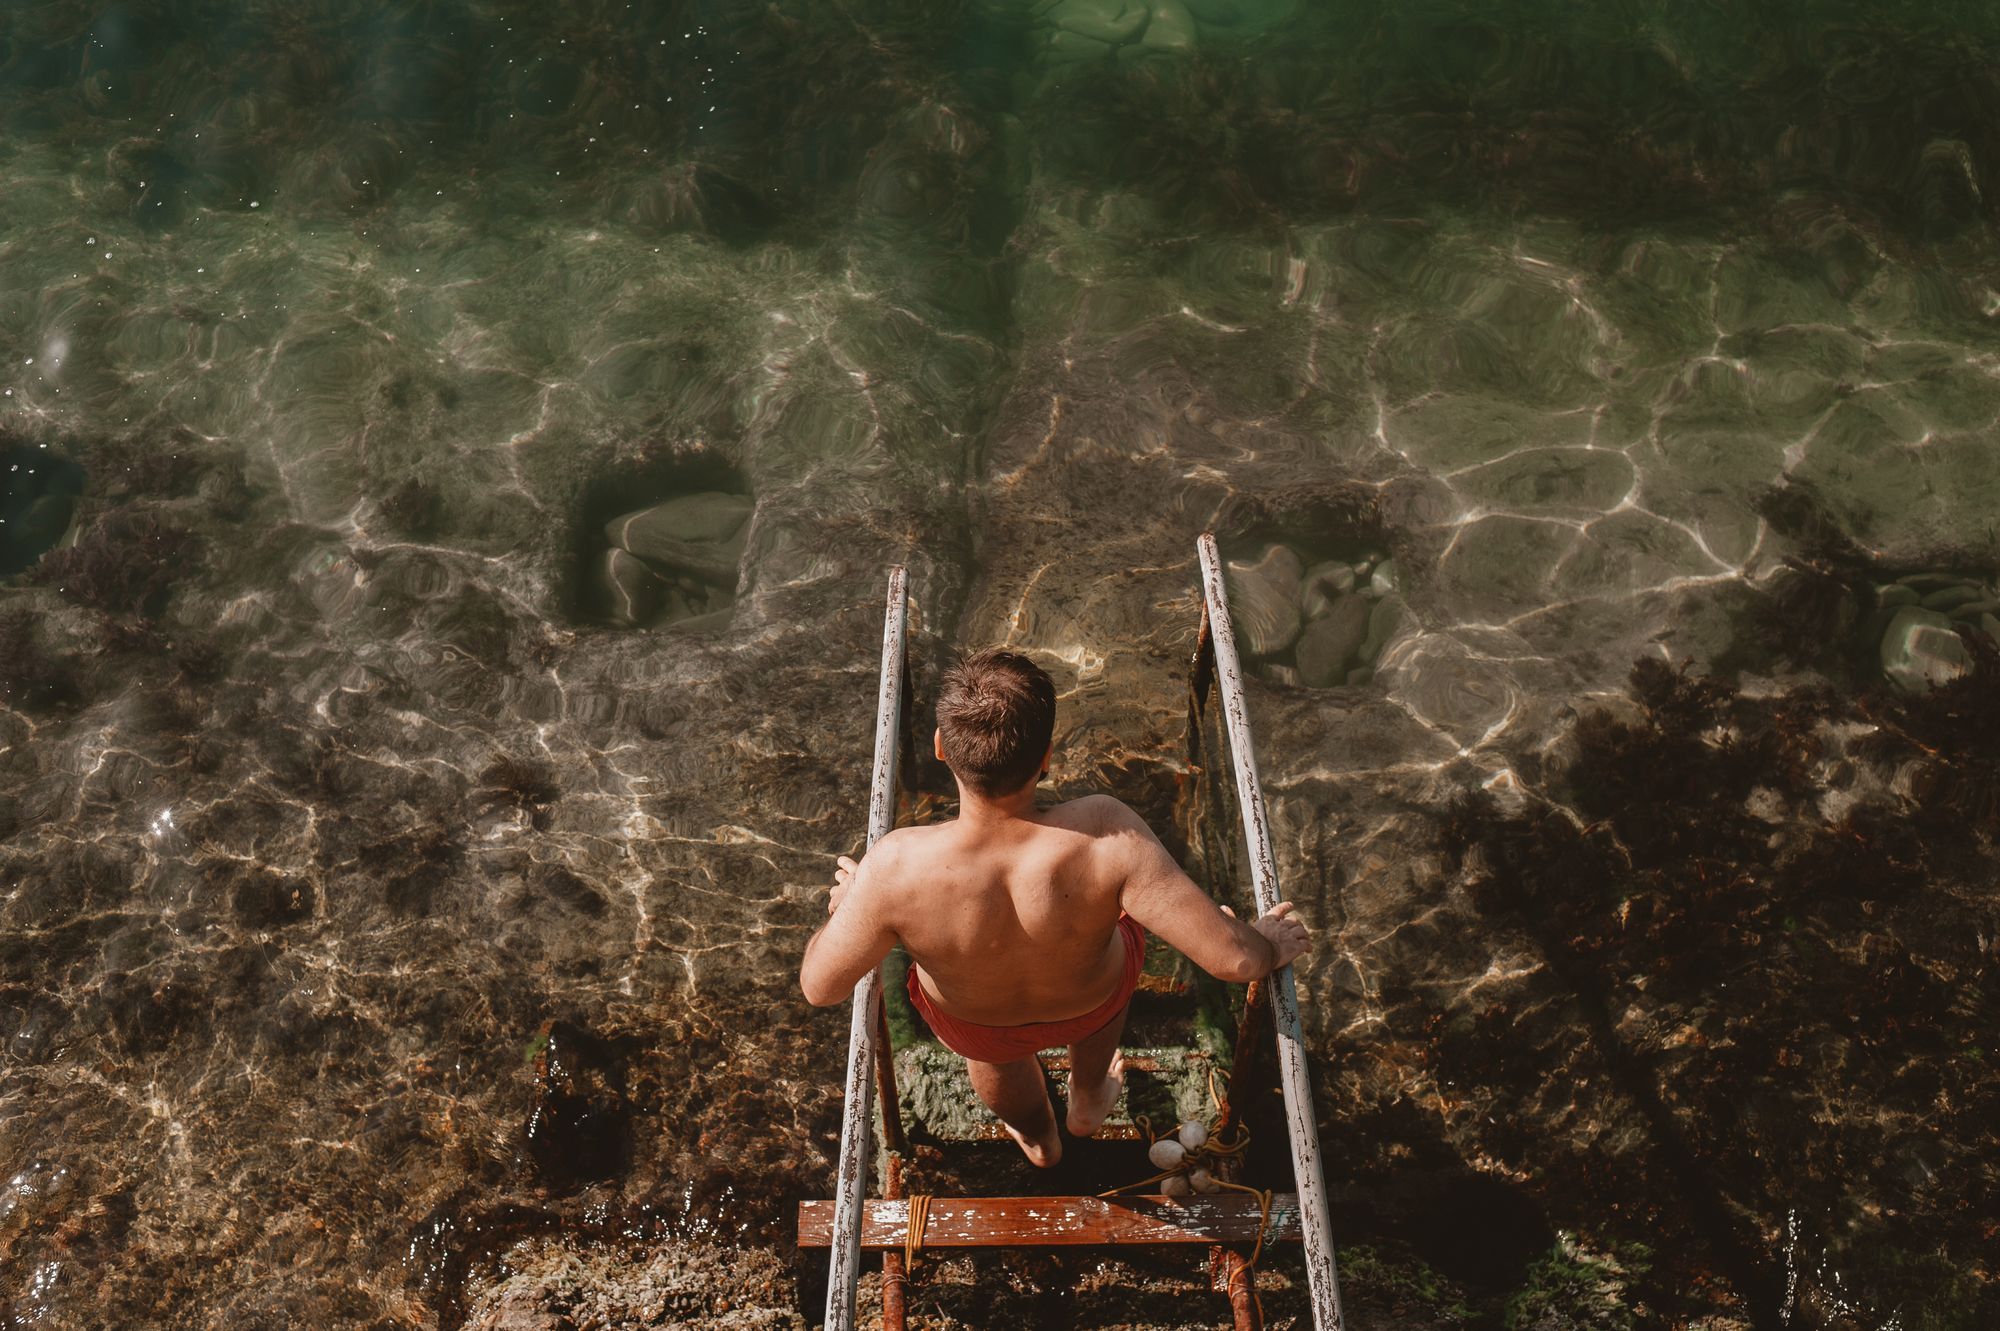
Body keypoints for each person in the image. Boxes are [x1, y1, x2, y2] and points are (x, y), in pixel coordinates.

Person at [799, 647, 1311, 1167]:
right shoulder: (1105, 833)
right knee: (1113, 959)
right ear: (1047, 758)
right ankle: (1087, 1102)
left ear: (940, 748)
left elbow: (821, 988)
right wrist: (1266, 942)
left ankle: (1040, 1139)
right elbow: (1237, 962)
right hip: (1090, 1001)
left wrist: (850, 907)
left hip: (974, 1022)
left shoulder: (895, 866)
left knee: (995, 1055)